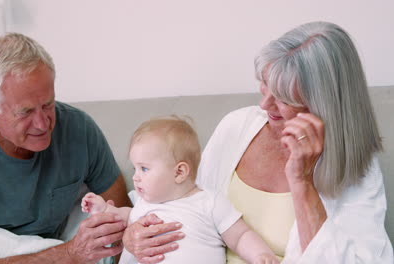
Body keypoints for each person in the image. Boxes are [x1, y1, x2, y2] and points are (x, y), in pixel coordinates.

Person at [122, 21, 394, 263]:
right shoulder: (236, 126)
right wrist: (132, 236)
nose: (264, 105)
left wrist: (303, 182)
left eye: (284, 98)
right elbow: (183, 200)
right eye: (264, 86)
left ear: (325, 104)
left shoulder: (357, 168)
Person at [0, 33, 131, 263]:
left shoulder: (80, 130)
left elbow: (124, 220)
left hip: (59, 242)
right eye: (25, 112)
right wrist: (70, 254)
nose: (43, 124)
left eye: (48, 105)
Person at [82, 117, 279, 264]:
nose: (135, 176)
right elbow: (123, 216)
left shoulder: (209, 202)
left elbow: (240, 236)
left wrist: (261, 255)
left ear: (180, 172)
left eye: (144, 168)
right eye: (135, 168)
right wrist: (103, 210)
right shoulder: (143, 204)